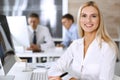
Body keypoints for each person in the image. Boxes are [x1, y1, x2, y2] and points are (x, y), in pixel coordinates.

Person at [48, 1, 118, 80]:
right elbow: (53, 69)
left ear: (100, 20)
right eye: (84, 16)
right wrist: (69, 78)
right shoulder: (76, 44)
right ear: (79, 19)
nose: (88, 20)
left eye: (93, 16)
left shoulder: (108, 47)